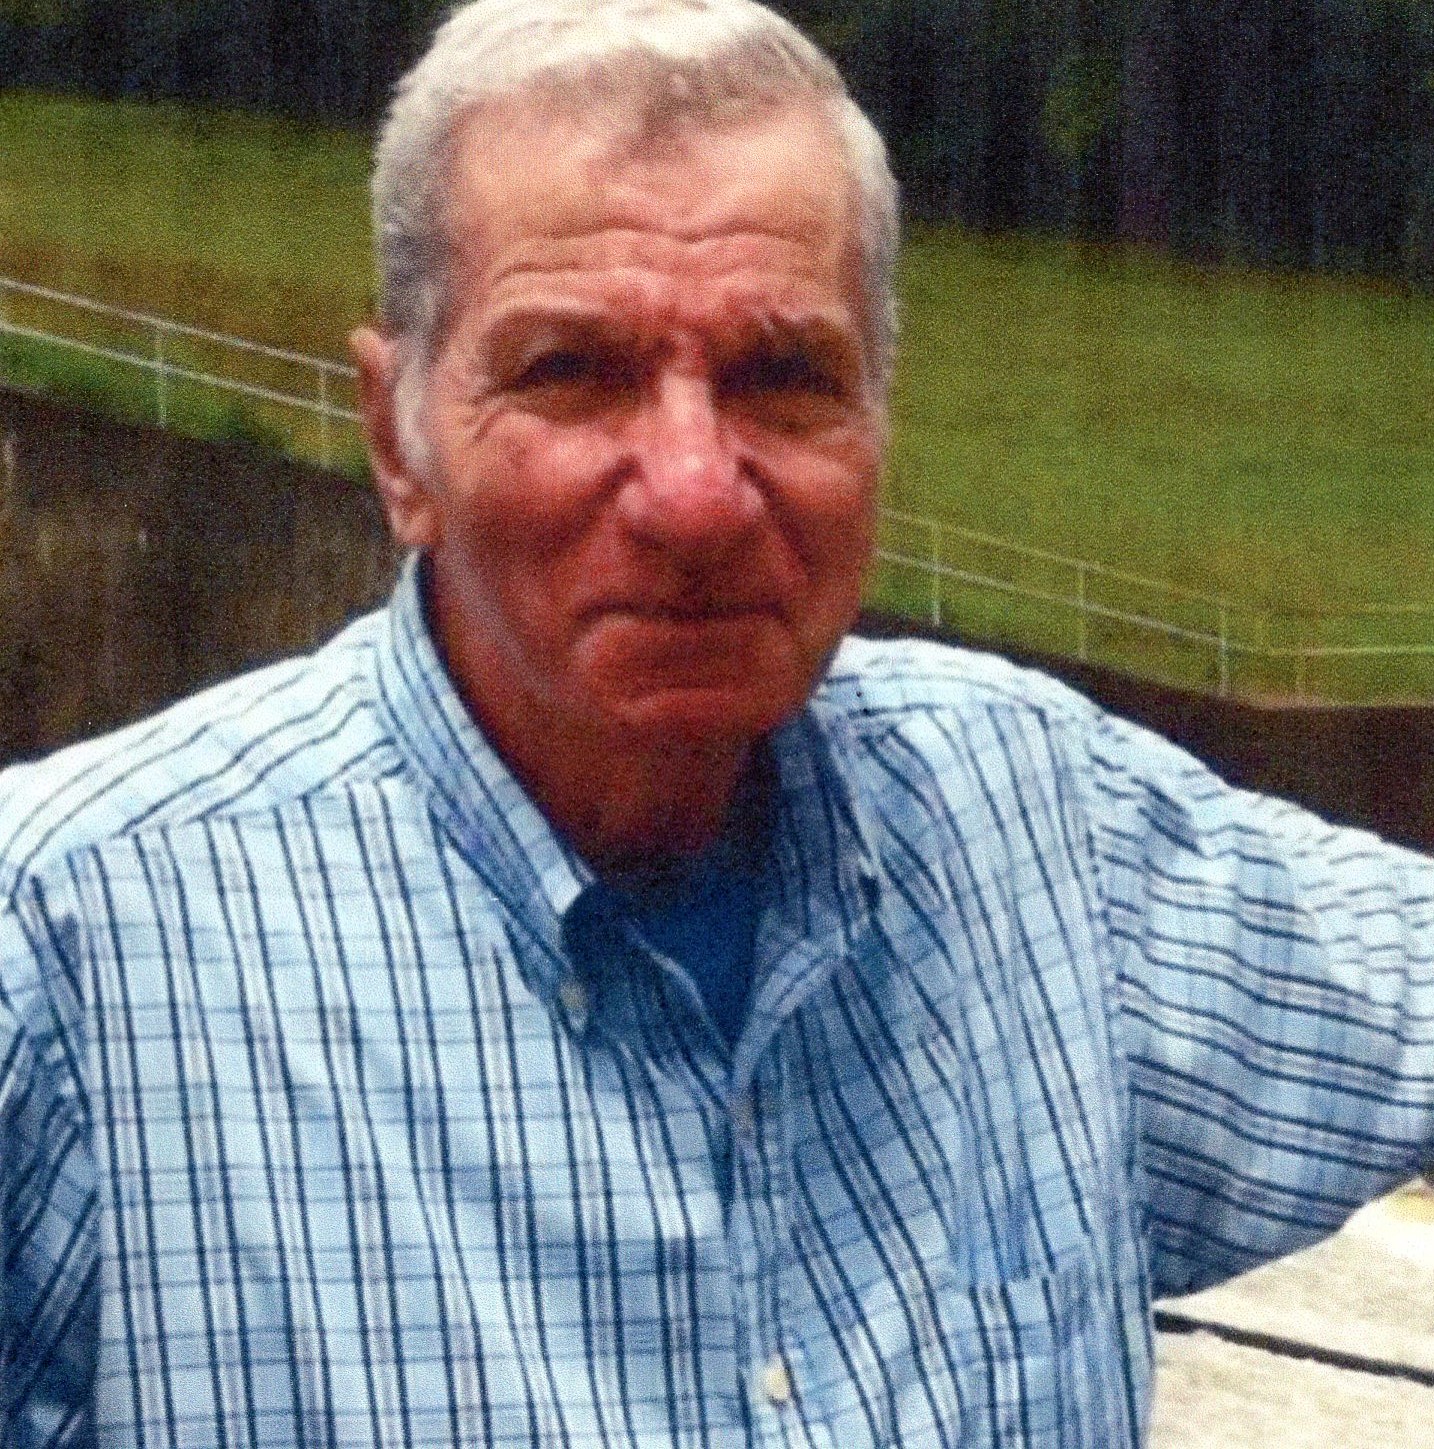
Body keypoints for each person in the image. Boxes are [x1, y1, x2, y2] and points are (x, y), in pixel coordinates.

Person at [1, 0, 1431, 1443]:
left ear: (880, 417)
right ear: (397, 440)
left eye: (783, 377)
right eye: (571, 371)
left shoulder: (1045, 832)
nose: (693, 494)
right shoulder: (64, 964)